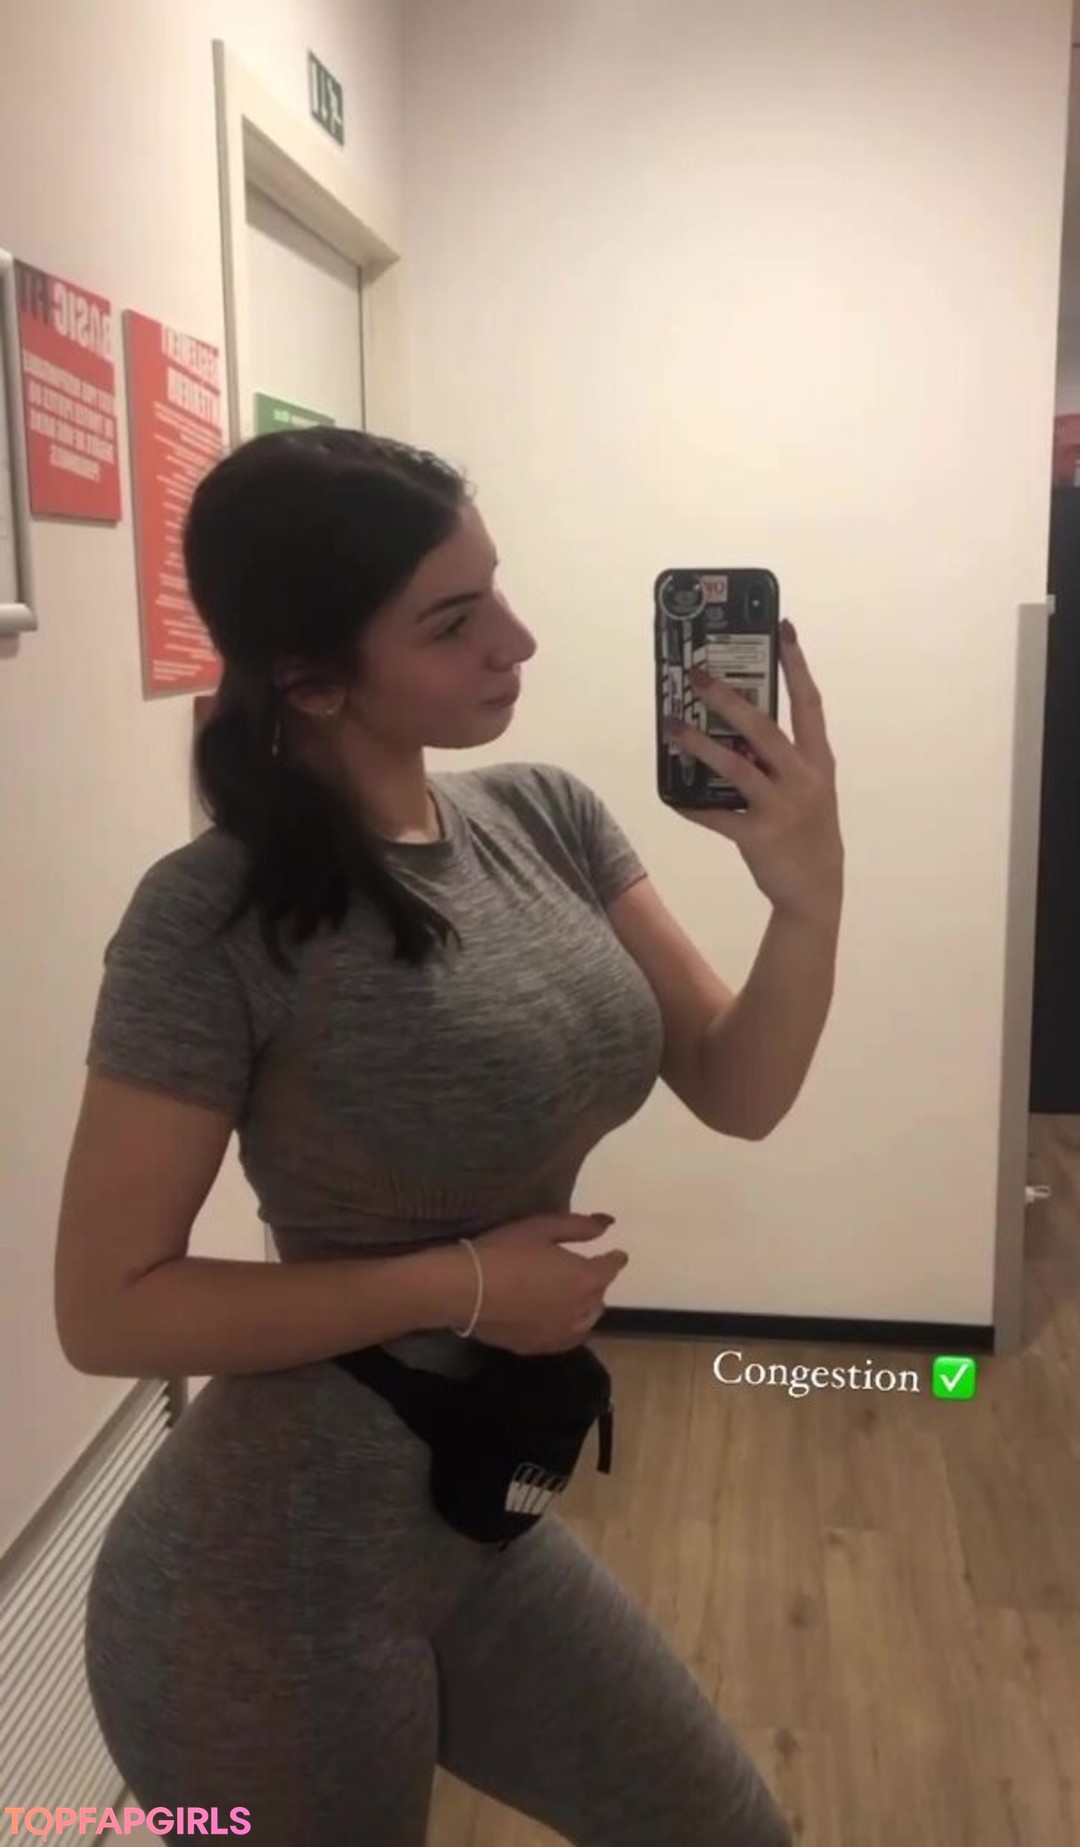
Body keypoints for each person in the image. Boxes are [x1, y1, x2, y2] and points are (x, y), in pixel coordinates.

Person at [55, 428, 842, 1845]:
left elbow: (740, 1086)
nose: (516, 641)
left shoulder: (546, 816)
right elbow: (107, 1310)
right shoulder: (211, 917)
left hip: (471, 1518)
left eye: (498, 590)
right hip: (268, 1581)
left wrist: (808, 894)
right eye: (453, 620)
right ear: (311, 677)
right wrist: (463, 1284)